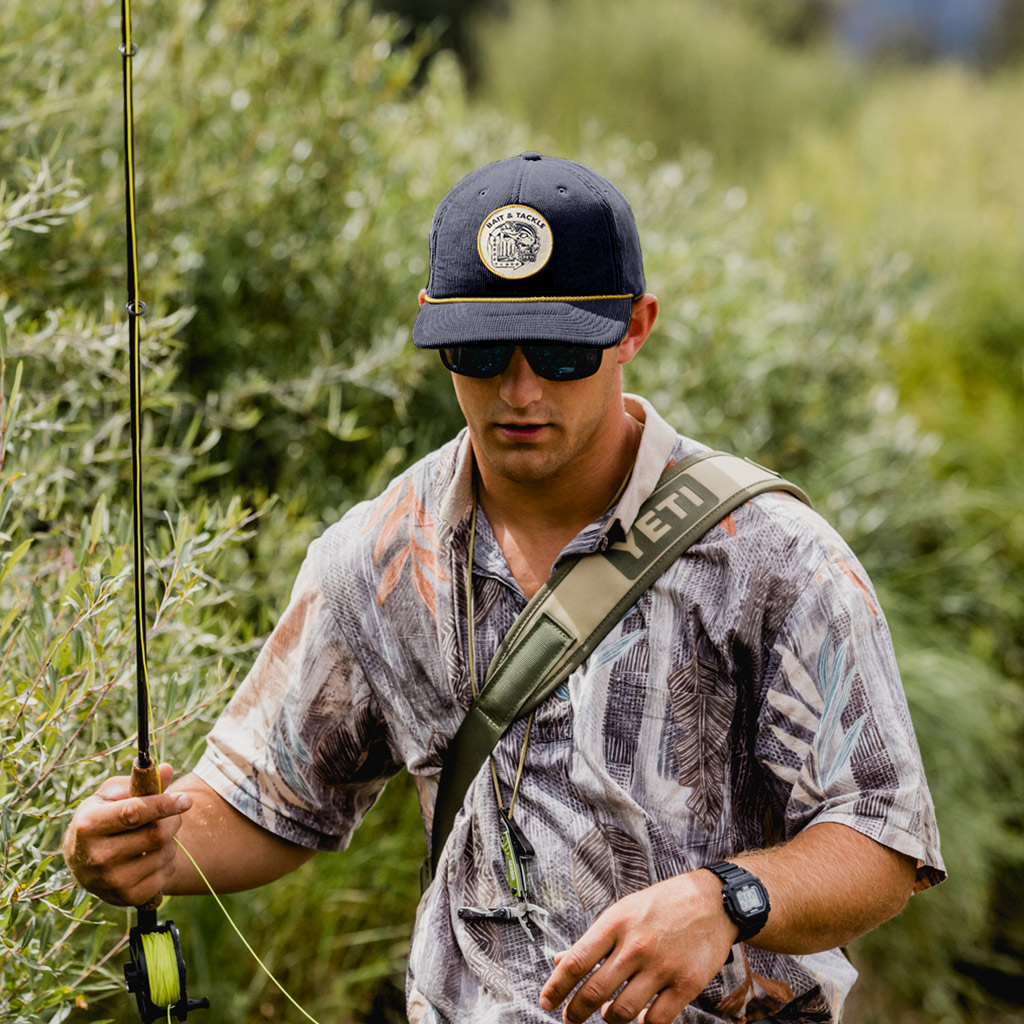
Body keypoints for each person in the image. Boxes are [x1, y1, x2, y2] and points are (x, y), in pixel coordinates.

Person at [64, 152, 945, 1024]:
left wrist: (725, 902)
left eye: (560, 353)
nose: (517, 391)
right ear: (432, 326)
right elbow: (270, 802)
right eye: (481, 350)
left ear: (633, 327)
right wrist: (148, 849)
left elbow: (882, 838)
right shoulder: (374, 556)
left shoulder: (775, 557)